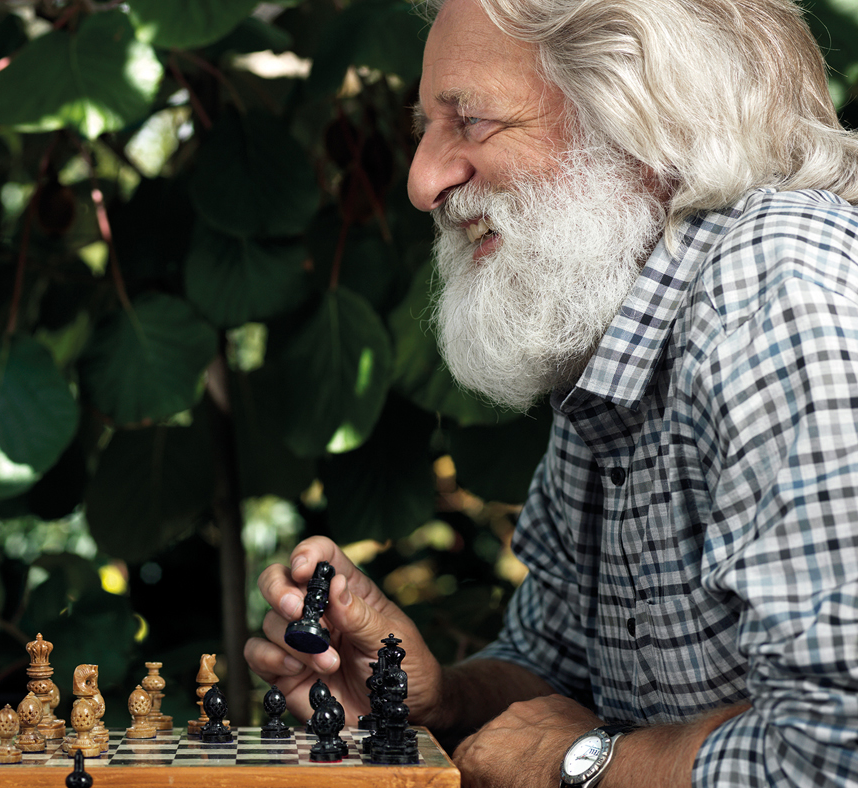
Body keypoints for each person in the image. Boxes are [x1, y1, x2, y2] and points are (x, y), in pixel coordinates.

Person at [247, 0, 858, 785]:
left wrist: (581, 763)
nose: (422, 181)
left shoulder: (778, 291)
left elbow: (839, 747)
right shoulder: (620, 317)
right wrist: (434, 699)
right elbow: (560, 666)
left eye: (469, 122)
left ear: (639, 117)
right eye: (425, 129)